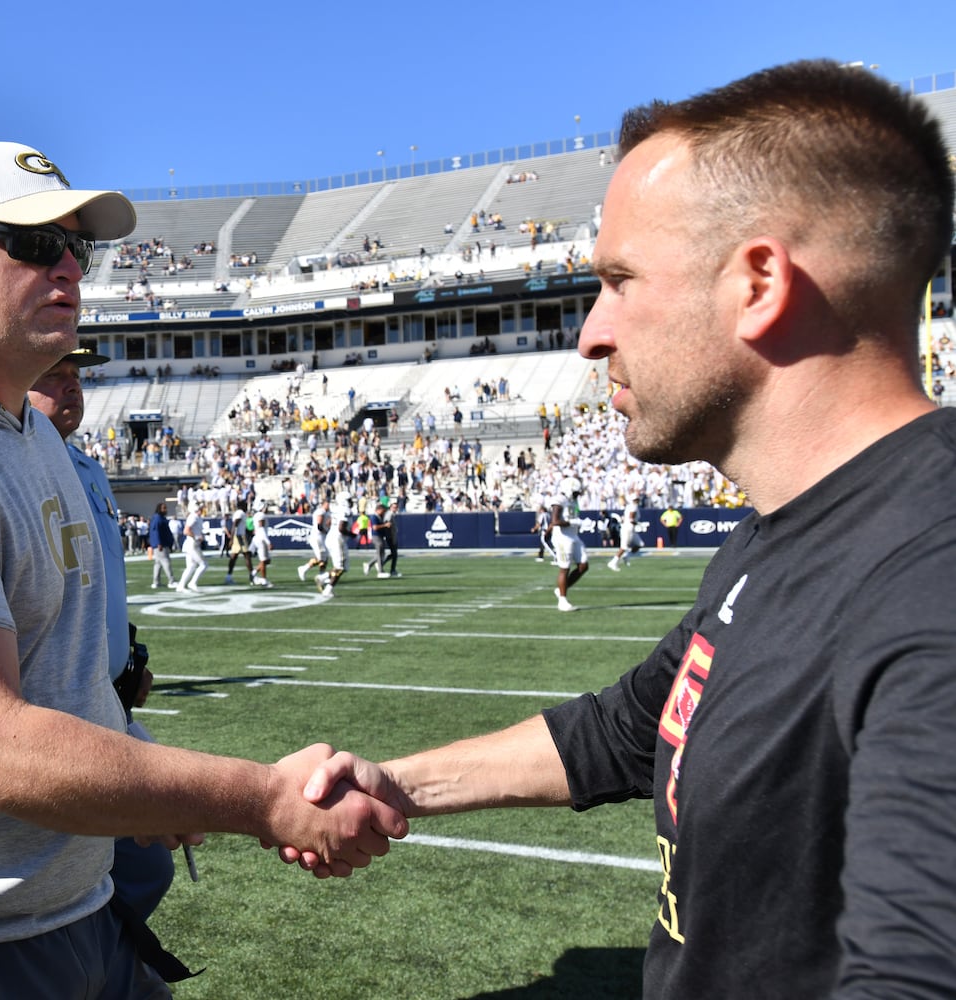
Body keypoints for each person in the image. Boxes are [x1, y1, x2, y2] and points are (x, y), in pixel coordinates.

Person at [289, 61, 956, 999]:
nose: (590, 334)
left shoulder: (930, 579)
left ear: (759, 282)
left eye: (618, 280)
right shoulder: (784, 530)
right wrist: (396, 786)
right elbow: (627, 732)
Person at [0, 140, 405, 1000]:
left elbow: (63, 688)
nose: (66, 268)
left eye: (76, 248)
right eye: (29, 244)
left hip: (63, 913)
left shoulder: (26, 430)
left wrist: (158, 784)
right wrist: (256, 798)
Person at [28, 347, 176, 920]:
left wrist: (127, 656)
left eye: (75, 377)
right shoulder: (20, 466)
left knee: (147, 859)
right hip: (62, 707)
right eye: (54, 376)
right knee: (138, 862)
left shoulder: (87, 469)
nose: (71, 387)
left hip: (108, 697)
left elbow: (101, 581)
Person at [548, 477, 588, 611]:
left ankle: (560, 591)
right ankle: (562, 601)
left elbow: (572, 517)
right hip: (563, 538)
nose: (577, 495)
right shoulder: (559, 500)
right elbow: (555, 521)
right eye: (576, 492)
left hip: (573, 535)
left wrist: (582, 522)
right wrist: (575, 523)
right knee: (565, 568)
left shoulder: (573, 500)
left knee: (583, 565)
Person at [176, 501, 208, 592]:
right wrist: (197, 537)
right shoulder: (193, 517)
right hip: (192, 544)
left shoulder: (198, 517)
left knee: (191, 566)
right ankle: (192, 583)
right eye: (201, 508)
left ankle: (180, 586)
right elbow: (186, 531)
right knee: (203, 564)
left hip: (194, 544)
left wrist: (201, 536)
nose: (203, 509)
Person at [297, 497, 330, 584]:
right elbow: (319, 525)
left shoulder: (326, 512)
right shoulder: (321, 511)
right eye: (327, 503)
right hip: (317, 537)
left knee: (324, 557)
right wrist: (326, 531)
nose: (329, 505)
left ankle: (321, 575)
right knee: (321, 557)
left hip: (322, 537)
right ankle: (305, 569)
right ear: (324, 504)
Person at [607, 501, 643, 571]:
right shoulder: (633, 506)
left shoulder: (630, 506)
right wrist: (638, 523)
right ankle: (613, 562)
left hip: (630, 528)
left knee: (640, 544)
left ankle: (626, 555)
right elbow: (631, 519)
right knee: (624, 547)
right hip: (627, 528)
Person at [148, 500, 176, 589]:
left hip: (163, 543)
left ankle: (156, 582)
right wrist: (158, 543)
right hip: (161, 544)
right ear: (159, 509)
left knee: (158, 564)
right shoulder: (157, 518)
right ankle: (171, 581)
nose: (165, 509)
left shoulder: (161, 518)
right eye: (164, 508)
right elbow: (155, 531)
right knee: (166, 562)